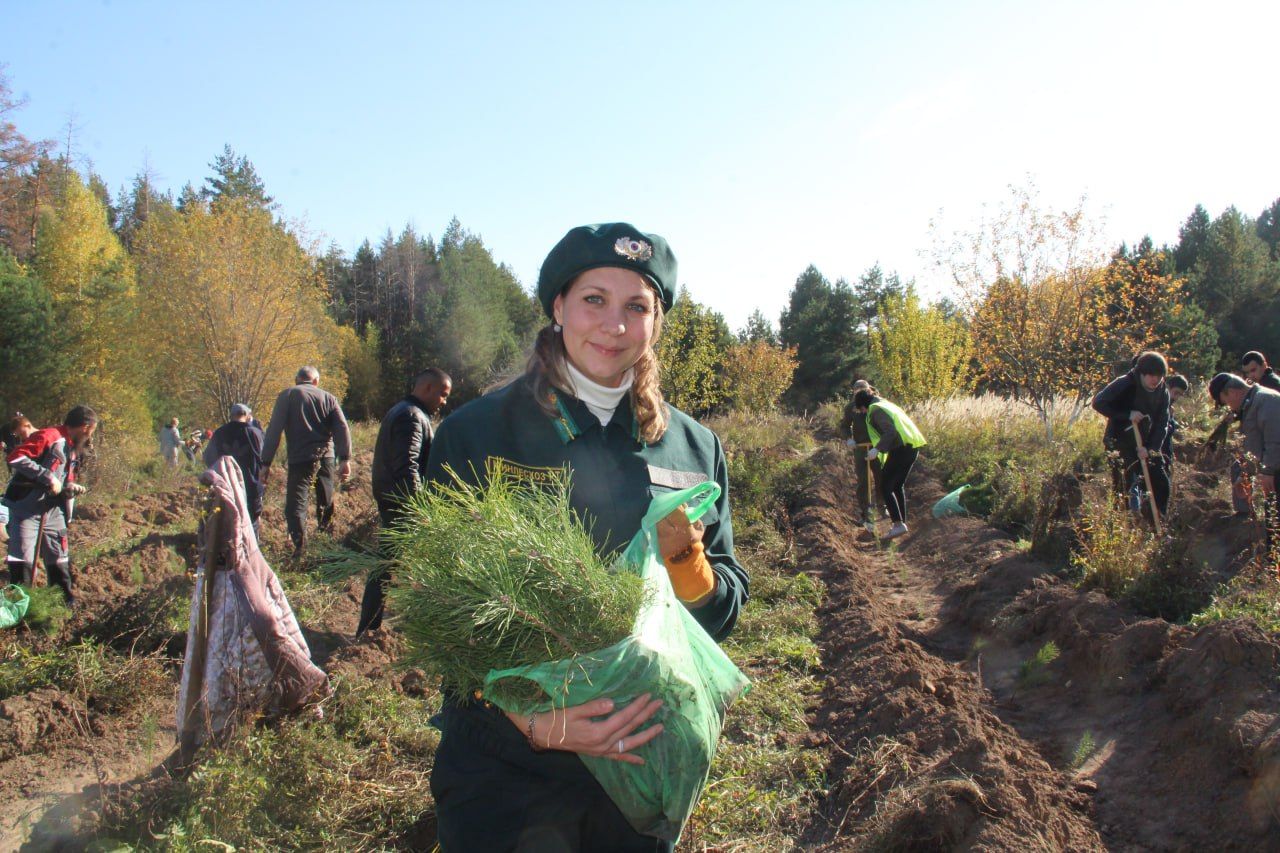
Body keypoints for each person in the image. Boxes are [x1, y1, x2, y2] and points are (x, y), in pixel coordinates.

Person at [424, 222, 749, 852]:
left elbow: (724, 606)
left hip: (637, 777)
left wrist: (691, 568)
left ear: (657, 322)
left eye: (638, 307)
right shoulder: (479, 434)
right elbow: (434, 610)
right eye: (594, 299)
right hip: (506, 777)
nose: (615, 325)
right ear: (557, 307)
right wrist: (532, 721)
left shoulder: (692, 446)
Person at [357, 367, 452, 636]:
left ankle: (370, 626)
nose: (443, 401)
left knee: (387, 565)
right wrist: (420, 508)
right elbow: (407, 467)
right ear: (427, 389)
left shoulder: (403, 410)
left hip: (394, 501)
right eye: (442, 395)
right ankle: (376, 627)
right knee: (391, 565)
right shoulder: (411, 416)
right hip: (402, 506)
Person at [4, 406, 96, 604]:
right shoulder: (50, 435)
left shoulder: (73, 447)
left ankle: (62, 606)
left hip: (53, 510)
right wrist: (48, 478)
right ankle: (21, 610)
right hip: (27, 507)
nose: (90, 436)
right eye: (92, 431)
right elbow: (15, 457)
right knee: (23, 558)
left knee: (58, 557)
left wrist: (70, 487)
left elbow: (65, 477)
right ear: (86, 427)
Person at [261, 366, 353, 555]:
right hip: (326, 456)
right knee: (325, 499)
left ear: (297, 380)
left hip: (300, 458)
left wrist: (265, 463)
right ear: (316, 381)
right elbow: (342, 428)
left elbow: (274, 431)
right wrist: (344, 459)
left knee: (296, 504)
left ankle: (299, 546)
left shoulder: (287, 396)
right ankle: (325, 540)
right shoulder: (329, 398)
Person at [1092, 351, 1172, 523]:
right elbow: (1098, 402)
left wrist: (1151, 449)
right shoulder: (1125, 383)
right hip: (1119, 441)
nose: (1155, 380)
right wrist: (1127, 414)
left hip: (1146, 443)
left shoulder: (1162, 391)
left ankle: (1156, 523)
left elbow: (1162, 423)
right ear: (1141, 373)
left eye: (1159, 376)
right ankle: (1123, 525)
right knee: (1124, 484)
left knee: (1161, 482)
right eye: (1151, 375)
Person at [1210, 372, 1280, 554]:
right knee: (1273, 520)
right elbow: (1254, 445)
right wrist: (1245, 473)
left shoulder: (1267, 401)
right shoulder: (1251, 404)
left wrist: (1268, 471)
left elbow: (1274, 441)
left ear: (1232, 392)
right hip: (1272, 470)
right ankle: (1274, 568)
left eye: (1226, 402)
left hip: (1275, 470)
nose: (1229, 407)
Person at [853, 388, 927, 540]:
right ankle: (901, 523)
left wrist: (876, 450)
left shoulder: (875, 410)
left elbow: (890, 432)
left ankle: (898, 525)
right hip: (911, 447)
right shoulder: (886, 404)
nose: (862, 412)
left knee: (885, 486)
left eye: (861, 409)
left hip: (901, 449)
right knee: (896, 486)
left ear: (862, 405)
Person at [203, 404, 266, 532]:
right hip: (251, 486)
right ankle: (250, 550)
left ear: (231, 416)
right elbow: (264, 459)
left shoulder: (220, 433)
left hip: (226, 487)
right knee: (251, 525)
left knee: (227, 525)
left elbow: (208, 457)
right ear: (248, 416)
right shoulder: (255, 433)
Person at [840, 380, 879, 540]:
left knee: (881, 477)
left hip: (878, 448)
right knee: (863, 481)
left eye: (862, 390)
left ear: (869, 390)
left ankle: (882, 508)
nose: (860, 393)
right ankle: (865, 512)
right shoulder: (851, 408)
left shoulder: (877, 405)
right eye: (857, 391)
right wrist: (848, 438)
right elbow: (844, 426)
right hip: (860, 448)